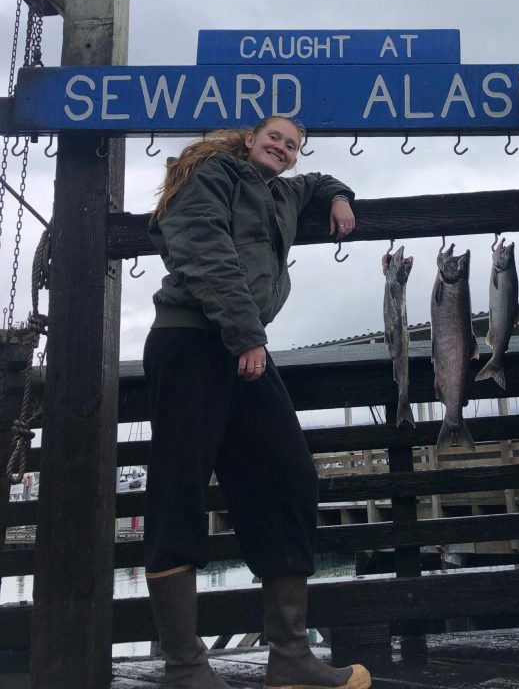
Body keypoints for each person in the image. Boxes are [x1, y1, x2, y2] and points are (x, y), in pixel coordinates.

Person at [143, 116, 371, 689]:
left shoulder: (286, 190)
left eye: (293, 144)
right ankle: (183, 666)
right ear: (249, 139)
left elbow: (319, 181)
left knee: (290, 477)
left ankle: (290, 656)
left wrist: (340, 195)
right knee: (180, 492)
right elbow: (201, 245)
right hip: (193, 339)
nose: (284, 147)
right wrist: (247, 333)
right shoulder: (214, 173)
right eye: (274, 137)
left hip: (243, 346)